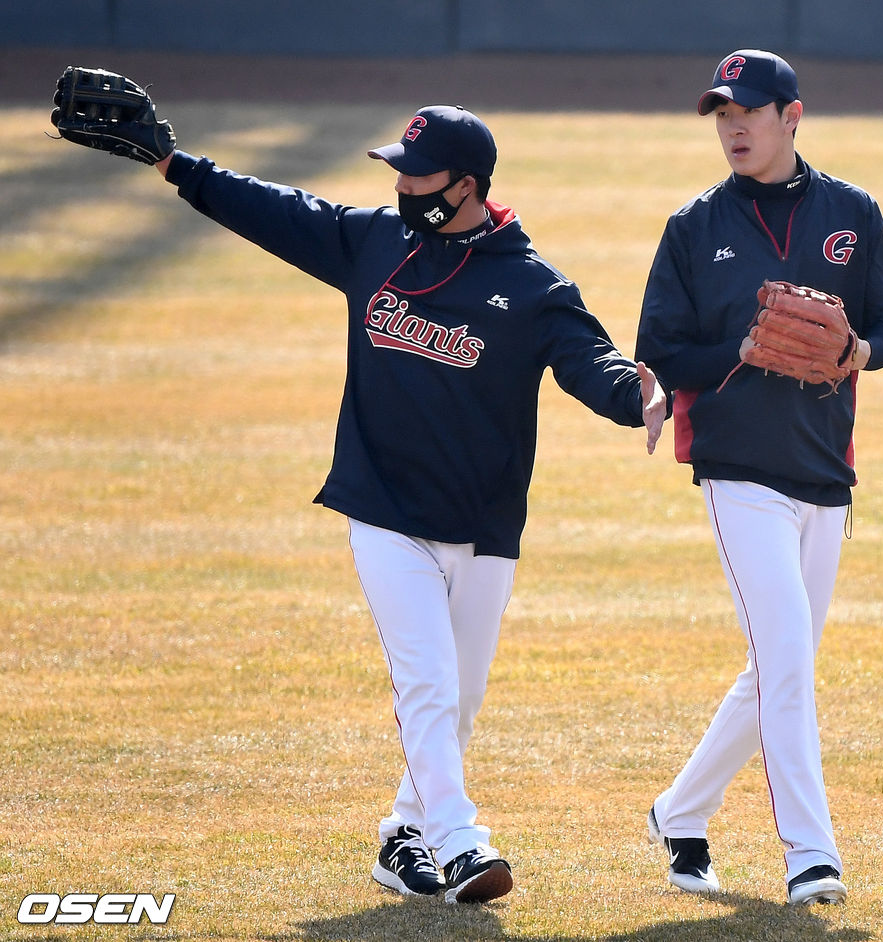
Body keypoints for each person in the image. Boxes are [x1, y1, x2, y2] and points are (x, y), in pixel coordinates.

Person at [101, 98, 664, 903]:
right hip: (385, 511)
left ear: (467, 185)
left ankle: (403, 836)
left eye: (418, 175)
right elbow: (275, 210)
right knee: (428, 683)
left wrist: (638, 396)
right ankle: (462, 844)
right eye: (397, 171)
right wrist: (175, 164)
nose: (401, 186)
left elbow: (592, 362)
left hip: (483, 525)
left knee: (458, 702)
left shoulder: (531, 286)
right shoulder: (373, 244)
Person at [634, 49, 883, 906]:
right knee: (786, 659)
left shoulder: (852, 213)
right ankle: (811, 856)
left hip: (824, 471)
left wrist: (859, 350)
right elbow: (660, 353)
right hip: (738, 471)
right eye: (722, 114)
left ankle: (679, 811)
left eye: (748, 111)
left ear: (792, 116)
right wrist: (744, 349)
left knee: (775, 669)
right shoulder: (694, 227)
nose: (733, 127)